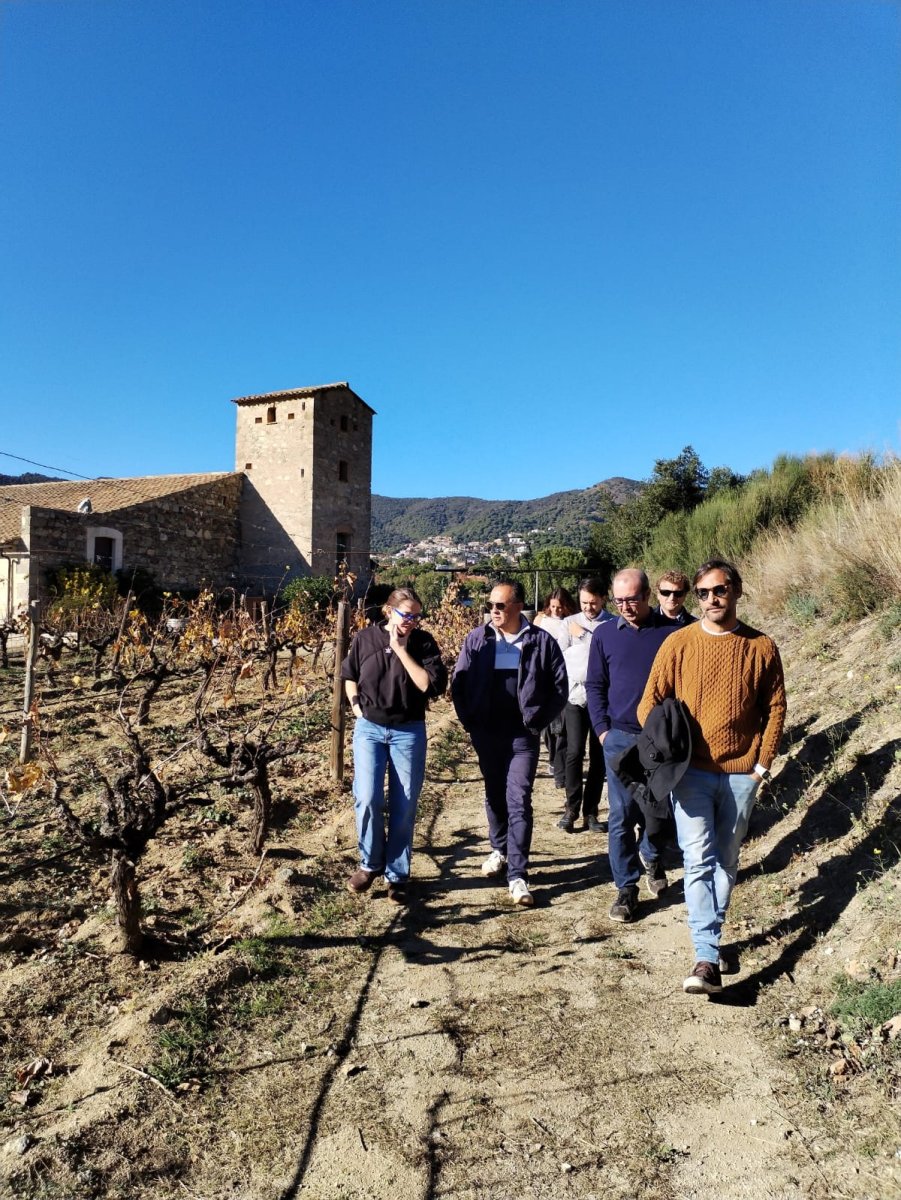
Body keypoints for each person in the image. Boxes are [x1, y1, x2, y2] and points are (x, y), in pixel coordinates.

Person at [639, 560, 787, 994]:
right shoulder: (678, 643)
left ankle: (713, 936)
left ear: (737, 590)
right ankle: (706, 955)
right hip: (692, 776)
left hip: (742, 774)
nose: (710, 599)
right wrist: (671, 751)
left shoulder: (761, 646)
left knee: (727, 859)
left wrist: (762, 764)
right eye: (702, 593)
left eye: (719, 590)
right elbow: (649, 704)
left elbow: (775, 707)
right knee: (697, 859)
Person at [451, 578, 568, 907]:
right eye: (490, 605)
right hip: (486, 732)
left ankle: (518, 874)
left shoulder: (540, 641)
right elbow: (458, 682)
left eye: (500, 605)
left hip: (522, 735)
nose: (493, 611)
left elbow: (560, 686)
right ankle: (500, 848)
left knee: (518, 798)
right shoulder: (477, 638)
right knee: (494, 794)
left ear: (518, 606)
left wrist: (539, 720)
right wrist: (469, 720)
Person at [341, 587, 448, 905]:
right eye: (406, 615)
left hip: (408, 732)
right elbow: (350, 674)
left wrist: (401, 650)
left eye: (416, 616)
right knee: (367, 797)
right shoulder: (364, 638)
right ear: (389, 611)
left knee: (404, 804)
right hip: (370, 729)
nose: (412, 621)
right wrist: (357, 708)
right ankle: (369, 864)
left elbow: (428, 685)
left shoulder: (422, 642)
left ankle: (397, 875)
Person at [585, 568, 678, 922]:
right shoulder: (605, 635)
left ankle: (652, 854)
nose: (625, 606)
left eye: (633, 599)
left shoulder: (671, 634)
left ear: (648, 596)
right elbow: (595, 685)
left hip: (661, 738)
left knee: (659, 814)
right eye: (619, 600)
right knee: (622, 815)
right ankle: (626, 888)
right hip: (619, 737)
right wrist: (603, 730)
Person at [556, 577, 613, 833]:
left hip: (603, 699)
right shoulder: (568, 624)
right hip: (575, 696)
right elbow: (558, 658)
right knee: (574, 752)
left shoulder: (612, 624)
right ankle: (571, 808)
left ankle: (591, 813)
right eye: (584, 602)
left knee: (599, 756)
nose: (589, 607)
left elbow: (608, 654)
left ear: (602, 599)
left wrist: (586, 636)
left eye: (593, 602)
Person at [533, 587, 576, 786]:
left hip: (562, 675)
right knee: (546, 725)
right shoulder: (541, 620)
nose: (556, 611)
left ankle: (557, 763)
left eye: (560, 607)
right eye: (553, 607)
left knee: (559, 723)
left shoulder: (570, 622)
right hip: (543, 676)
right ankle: (553, 756)